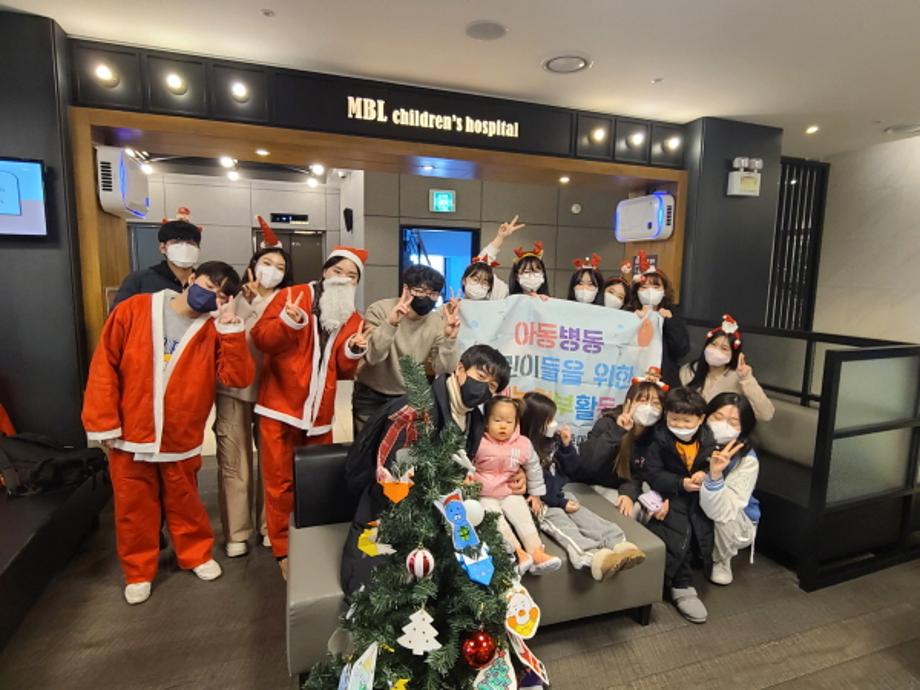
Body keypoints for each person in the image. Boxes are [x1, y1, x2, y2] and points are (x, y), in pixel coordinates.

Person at [82, 261, 255, 605]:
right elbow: (104, 365)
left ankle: (196, 554)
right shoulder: (136, 308)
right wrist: (103, 421)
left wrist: (231, 330)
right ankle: (138, 571)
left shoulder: (213, 329)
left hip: (180, 433)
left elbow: (237, 378)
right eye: (209, 285)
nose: (213, 296)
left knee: (185, 500)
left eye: (222, 295)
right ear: (192, 278)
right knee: (133, 506)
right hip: (131, 431)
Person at [341, 344, 510, 596]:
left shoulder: (474, 419)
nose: (484, 387)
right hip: (393, 509)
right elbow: (392, 476)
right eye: (481, 376)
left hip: (443, 509)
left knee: (472, 579)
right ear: (460, 369)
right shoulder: (416, 409)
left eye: (492, 386)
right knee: (378, 587)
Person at [252, 246, 370, 578]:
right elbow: (262, 339)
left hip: (320, 413)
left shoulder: (352, 316)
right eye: (338, 271)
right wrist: (288, 322)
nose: (343, 279)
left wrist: (352, 351)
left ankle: (312, 541)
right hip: (279, 407)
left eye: (352, 276)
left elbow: (342, 370)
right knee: (278, 481)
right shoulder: (292, 296)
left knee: (315, 481)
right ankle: (281, 548)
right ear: (324, 271)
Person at [214, 237, 293, 558]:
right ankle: (237, 532)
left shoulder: (288, 301)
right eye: (267, 263)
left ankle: (269, 525)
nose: (272, 271)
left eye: (280, 267)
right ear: (253, 266)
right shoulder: (234, 297)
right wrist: (243, 303)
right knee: (234, 461)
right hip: (232, 390)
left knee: (273, 463)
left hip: (272, 391)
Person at [521, 392, 646, 581]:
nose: (554, 423)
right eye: (549, 420)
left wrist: (566, 447)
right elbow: (539, 484)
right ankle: (591, 557)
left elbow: (573, 469)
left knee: (585, 516)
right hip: (540, 502)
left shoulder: (551, 441)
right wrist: (561, 504)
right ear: (535, 422)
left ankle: (619, 543)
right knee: (563, 524)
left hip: (558, 494)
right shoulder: (525, 448)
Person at [351, 264, 461, 433]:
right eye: (420, 291)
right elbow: (373, 356)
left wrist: (450, 339)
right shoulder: (380, 309)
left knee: (402, 448)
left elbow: (443, 369)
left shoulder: (437, 322)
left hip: (408, 397)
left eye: (433, 294)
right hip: (370, 394)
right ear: (406, 288)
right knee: (364, 446)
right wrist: (391, 323)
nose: (426, 298)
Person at [638, 386, 716, 624]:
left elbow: (711, 464)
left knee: (702, 524)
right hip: (667, 492)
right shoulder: (659, 439)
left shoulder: (708, 439)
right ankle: (681, 584)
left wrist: (705, 473)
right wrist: (680, 483)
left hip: (700, 493)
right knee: (677, 525)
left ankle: (699, 568)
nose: (680, 425)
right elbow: (652, 472)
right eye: (674, 419)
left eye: (686, 421)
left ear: (701, 419)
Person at [470, 396, 561, 575]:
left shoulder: (523, 444)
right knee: (497, 521)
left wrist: (536, 495)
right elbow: (467, 464)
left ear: (516, 423)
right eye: (497, 420)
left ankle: (537, 553)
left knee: (523, 517)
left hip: (510, 491)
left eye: (509, 421)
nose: (503, 426)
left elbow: (534, 468)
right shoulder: (479, 442)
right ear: (486, 422)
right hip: (485, 494)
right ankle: (519, 554)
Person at [569, 368, 668, 518]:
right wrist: (618, 430)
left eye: (655, 403)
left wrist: (628, 494)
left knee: (635, 510)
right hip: (588, 485)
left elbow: (636, 474)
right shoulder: (608, 424)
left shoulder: (654, 436)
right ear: (628, 403)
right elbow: (586, 463)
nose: (649, 407)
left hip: (617, 489)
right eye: (642, 401)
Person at [700, 392, 760, 586]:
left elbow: (724, 508)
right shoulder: (695, 438)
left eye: (733, 422)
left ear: (744, 429)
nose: (723, 425)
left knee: (725, 515)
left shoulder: (746, 460)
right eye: (717, 417)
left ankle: (722, 559)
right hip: (700, 502)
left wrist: (715, 476)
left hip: (735, 516)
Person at [679, 315, 775, 421]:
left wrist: (747, 379)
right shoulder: (688, 370)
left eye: (724, 348)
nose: (716, 351)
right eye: (713, 344)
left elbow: (766, 415)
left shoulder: (739, 377)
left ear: (733, 355)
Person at [112, 207, 202, 309]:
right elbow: (118, 314)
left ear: (198, 249)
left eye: (190, 243)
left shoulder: (204, 282)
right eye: (177, 242)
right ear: (163, 248)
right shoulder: (139, 280)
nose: (184, 247)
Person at [626, 253, 690, 389]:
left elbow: (682, 349)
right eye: (644, 287)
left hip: (663, 379)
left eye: (656, 287)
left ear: (664, 291)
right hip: (631, 376)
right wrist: (633, 321)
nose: (650, 291)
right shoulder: (629, 313)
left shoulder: (672, 314)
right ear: (637, 291)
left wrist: (670, 322)